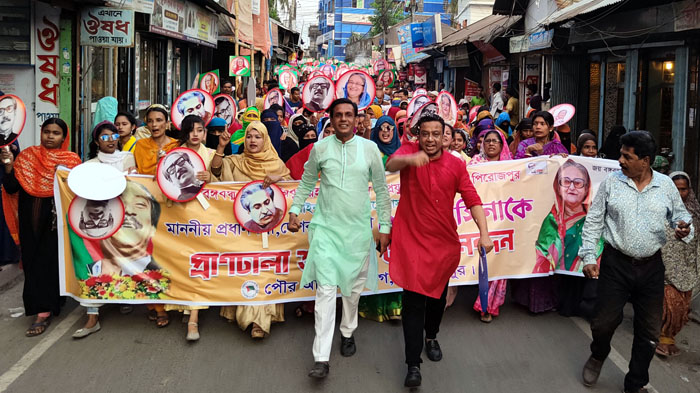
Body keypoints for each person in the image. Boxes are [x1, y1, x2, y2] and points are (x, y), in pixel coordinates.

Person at [579, 131, 693, 393]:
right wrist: (588, 256)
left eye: (626, 156)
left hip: (652, 267)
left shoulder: (665, 186)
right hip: (615, 264)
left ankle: (635, 383)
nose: (620, 160)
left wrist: (684, 229)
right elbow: (595, 219)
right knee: (603, 322)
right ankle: (598, 355)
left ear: (645, 160)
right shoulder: (612, 183)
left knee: (649, 332)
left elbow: (681, 217)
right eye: (621, 154)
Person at [385, 114, 493, 387]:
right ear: (418, 135)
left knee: (437, 299)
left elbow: (472, 199)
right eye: (425, 134)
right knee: (412, 302)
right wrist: (411, 160)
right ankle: (412, 364)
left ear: (444, 137)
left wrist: (485, 233)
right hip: (410, 240)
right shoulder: (409, 152)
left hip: (443, 244)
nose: (430, 139)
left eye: (436, 134)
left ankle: (431, 336)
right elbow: (391, 163)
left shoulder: (456, 165)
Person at [287, 98, 391, 379]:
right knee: (325, 292)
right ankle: (321, 357)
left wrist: (385, 226)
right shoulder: (320, 149)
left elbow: (381, 191)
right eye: (338, 115)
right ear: (330, 119)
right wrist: (295, 209)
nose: (344, 119)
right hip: (326, 230)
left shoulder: (370, 150)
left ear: (357, 119)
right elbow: (307, 181)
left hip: (357, 233)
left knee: (352, 292)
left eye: (349, 114)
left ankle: (347, 331)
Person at [1, 118, 82, 336]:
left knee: (50, 263)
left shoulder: (71, 160)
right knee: (32, 264)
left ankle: (44, 312)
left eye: (56, 133)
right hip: (29, 223)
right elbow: (11, 189)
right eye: (47, 131)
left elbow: (77, 191)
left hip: (56, 223)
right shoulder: (27, 157)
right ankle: (44, 305)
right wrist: (9, 165)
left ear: (63, 138)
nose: (50, 136)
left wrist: (61, 174)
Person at [210, 121, 291, 339]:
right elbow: (215, 173)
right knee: (246, 270)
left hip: (270, 234)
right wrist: (221, 147)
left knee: (264, 273)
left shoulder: (276, 164)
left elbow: (292, 193)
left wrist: (280, 179)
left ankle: (259, 321)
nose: (252, 141)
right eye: (249, 136)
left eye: (257, 137)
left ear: (266, 140)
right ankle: (242, 312)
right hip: (240, 231)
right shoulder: (235, 162)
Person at [533, 159, 602, 319]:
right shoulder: (551, 219)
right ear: (557, 186)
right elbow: (542, 255)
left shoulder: (595, 218)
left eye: (578, 183)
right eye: (566, 182)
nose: (571, 187)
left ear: (587, 188)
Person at [657, 171, 700, 358]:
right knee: (670, 307)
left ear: (688, 190)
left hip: (688, 267)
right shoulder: (659, 209)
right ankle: (662, 340)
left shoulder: (695, 212)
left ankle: (669, 339)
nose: (679, 193)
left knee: (682, 309)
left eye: (683, 189)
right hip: (664, 267)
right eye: (675, 189)